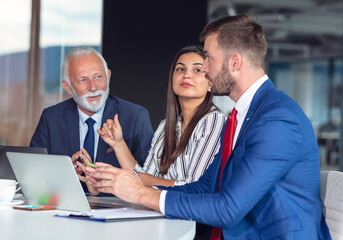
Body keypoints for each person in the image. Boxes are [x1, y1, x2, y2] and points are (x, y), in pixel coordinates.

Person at [84, 15, 331, 239]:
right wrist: (127, 187)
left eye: (208, 59)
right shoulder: (241, 116)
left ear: (235, 63)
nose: (205, 68)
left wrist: (141, 194)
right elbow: (205, 187)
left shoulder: (277, 119)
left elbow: (228, 208)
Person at [86, 46, 226, 188]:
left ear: (211, 83)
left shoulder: (213, 120)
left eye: (197, 70)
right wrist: (118, 143)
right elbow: (144, 176)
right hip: (158, 209)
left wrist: (141, 180)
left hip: (188, 210)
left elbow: (195, 188)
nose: (186, 75)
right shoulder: (165, 127)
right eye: (180, 69)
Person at [30, 47, 154, 185]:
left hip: (119, 205)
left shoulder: (135, 117)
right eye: (83, 80)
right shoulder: (51, 118)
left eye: (98, 77)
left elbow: (150, 180)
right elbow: (32, 174)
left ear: (108, 76)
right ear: (67, 87)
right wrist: (64, 175)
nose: (93, 87)